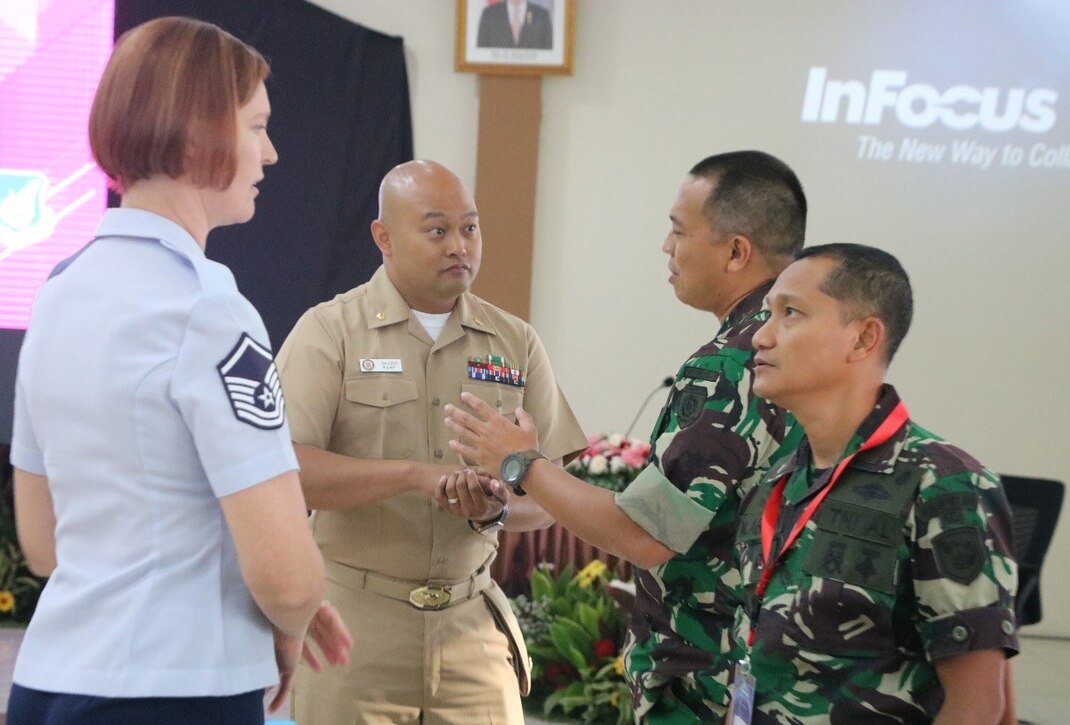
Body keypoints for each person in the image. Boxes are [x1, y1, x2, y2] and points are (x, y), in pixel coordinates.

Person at [7, 16, 351, 725]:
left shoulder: (57, 296)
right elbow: (286, 576)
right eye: (257, 127)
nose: (272, 153)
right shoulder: (209, 312)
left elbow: (43, 544)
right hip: (174, 688)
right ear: (200, 139)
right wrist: (288, 616)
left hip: (48, 681)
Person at [444, 151, 807, 722]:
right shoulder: (796, 347)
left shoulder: (731, 366)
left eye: (679, 230)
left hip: (704, 679)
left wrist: (522, 465)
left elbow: (644, 535)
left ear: (737, 251)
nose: (667, 246)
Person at [275, 158, 586, 724]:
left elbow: (550, 497)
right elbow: (285, 471)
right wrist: (414, 477)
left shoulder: (514, 341)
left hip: (471, 626)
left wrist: (498, 508)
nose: (459, 246)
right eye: (437, 230)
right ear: (384, 237)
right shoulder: (330, 331)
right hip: (356, 627)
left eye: (470, 228)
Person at [733, 243, 1018, 722]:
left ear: (864, 339)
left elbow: (977, 703)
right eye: (766, 314)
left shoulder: (942, 484)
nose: (761, 337)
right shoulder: (780, 477)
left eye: (791, 313)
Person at [477, 0, 554, 50]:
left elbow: (548, 49)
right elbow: (481, 49)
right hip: (495, 74)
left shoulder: (542, 15)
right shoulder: (489, 13)